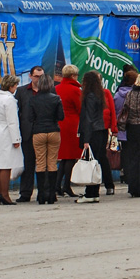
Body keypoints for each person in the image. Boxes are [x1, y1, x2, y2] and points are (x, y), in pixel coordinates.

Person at [29, 72, 64, 204]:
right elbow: (61, 117)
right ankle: (51, 195)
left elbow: (30, 118)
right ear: (50, 84)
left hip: (38, 132)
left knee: (40, 163)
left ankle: (42, 194)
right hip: (53, 131)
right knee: (52, 162)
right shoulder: (56, 99)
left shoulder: (33, 99)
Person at [75, 71, 110, 204]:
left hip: (92, 132)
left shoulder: (88, 96)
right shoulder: (99, 95)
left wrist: (86, 139)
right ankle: (94, 191)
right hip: (101, 130)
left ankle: (90, 193)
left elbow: (88, 118)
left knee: (90, 162)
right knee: (96, 163)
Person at [0, 75, 22, 205]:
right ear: (10, 86)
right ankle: (5, 194)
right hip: (7, 133)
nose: (16, 88)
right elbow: (13, 121)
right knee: (6, 166)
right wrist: (16, 139)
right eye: (15, 86)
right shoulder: (9, 100)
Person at [13, 65, 45, 202]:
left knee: (44, 164)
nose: (38, 79)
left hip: (43, 131)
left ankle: (45, 193)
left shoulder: (48, 90)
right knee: (28, 163)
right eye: (36, 76)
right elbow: (16, 111)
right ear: (30, 76)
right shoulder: (21, 91)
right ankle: (25, 193)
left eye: (41, 76)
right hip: (27, 132)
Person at [55, 64, 83, 198]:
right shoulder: (76, 90)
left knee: (64, 157)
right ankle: (66, 185)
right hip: (72, 125)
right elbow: (80, 108)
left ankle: (57, 185)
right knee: (71, 157)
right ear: (73, 76)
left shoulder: (56, 88)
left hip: (59, 125)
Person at [113, 70, 136, 186]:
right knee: (134, 153)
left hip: (121, 128)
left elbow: (116, 111)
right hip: (133, 127)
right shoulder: (134, 95)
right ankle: (133, 175)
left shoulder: (117, 95)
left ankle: (125, 174)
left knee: (125, 153)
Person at [100, 77, 118, 195]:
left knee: (102, 156)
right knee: (93, 159)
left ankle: (109, 184)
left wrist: (114, 127)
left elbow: (112, 109)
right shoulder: (85, 94)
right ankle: (92, 184)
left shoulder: (106, 93)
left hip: (103, 129)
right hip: (91, 130)